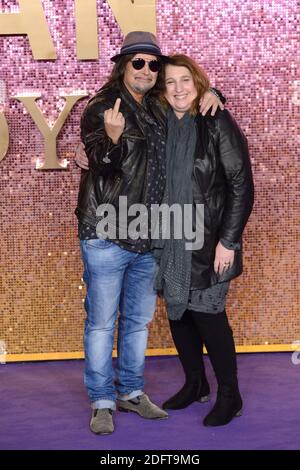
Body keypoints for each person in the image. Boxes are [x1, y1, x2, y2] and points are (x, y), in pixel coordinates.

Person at [76, 31, 224, 435]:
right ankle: (103, 400)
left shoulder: (159, 107)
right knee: (103, 323)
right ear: (123, 66)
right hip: (106, 232)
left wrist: (217, 95)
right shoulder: (103, 107)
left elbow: (189, 99)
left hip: (149, 235)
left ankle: (132, 392)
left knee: (138, 322)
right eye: (137, 62)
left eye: (153, 64)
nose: (146, 70)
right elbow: (100, 166)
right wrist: (110, 139)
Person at [153, 54, 254, 426]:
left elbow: (241, 184)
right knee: (179, 314)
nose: (179, 89)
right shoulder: (160, 124)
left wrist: (229, 241)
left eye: (186, 80)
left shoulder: (216, 120)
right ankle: (195, 383)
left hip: (211, 241)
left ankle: (231, 394)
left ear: (198, 83)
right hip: (170, 239)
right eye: (170, 82)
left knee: (209, 316)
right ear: (163, 91)